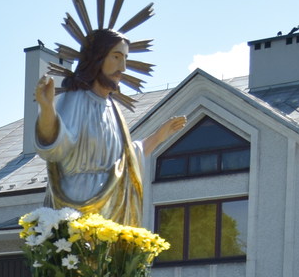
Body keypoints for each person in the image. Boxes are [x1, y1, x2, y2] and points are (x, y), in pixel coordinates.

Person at [33, 29, 185, 227]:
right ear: (97, 58)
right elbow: (55, 147)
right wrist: (46, 110)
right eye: (116, 57)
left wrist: (158, 137)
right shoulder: (75, 99)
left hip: (114, 208)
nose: (122, 68)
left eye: (125, 59)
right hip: (76, 208)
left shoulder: (113, 108)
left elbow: (127, 158)